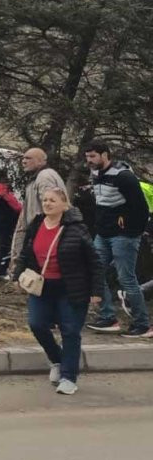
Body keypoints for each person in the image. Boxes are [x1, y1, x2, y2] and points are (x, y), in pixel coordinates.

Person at [12, 188, 103, 395]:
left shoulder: (76, 228)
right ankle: (57, 360)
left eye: (52, 200)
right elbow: (26, 253)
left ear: (64, 204)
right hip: (42, 287)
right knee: (36, 324)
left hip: (71, 288)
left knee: (70, 330)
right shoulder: (37, 224)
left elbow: (94, 261)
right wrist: (17, 275)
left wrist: (97, 290)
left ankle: (69, 378)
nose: (47, 203)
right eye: (45, 200)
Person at [82, 140, 151, 338]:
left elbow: (141, 208)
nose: (89, 161)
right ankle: (108, 317)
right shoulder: (96, 173)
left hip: (123, 235)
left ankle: (142, 324)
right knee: (95, 272)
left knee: (126, 278)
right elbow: (102, 203)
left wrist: (130, 230)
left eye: (93, 156)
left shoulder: (123, 176)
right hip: (103, 233)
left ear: (105, 155)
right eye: (87, 157)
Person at [10, 148, 67, 276]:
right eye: (23, 158)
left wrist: (42, 229)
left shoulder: (44, 177)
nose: (24, 161)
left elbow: (51, 206)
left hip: (44, 232)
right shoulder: (38, 177)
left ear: (41, 161)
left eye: (28, 158)